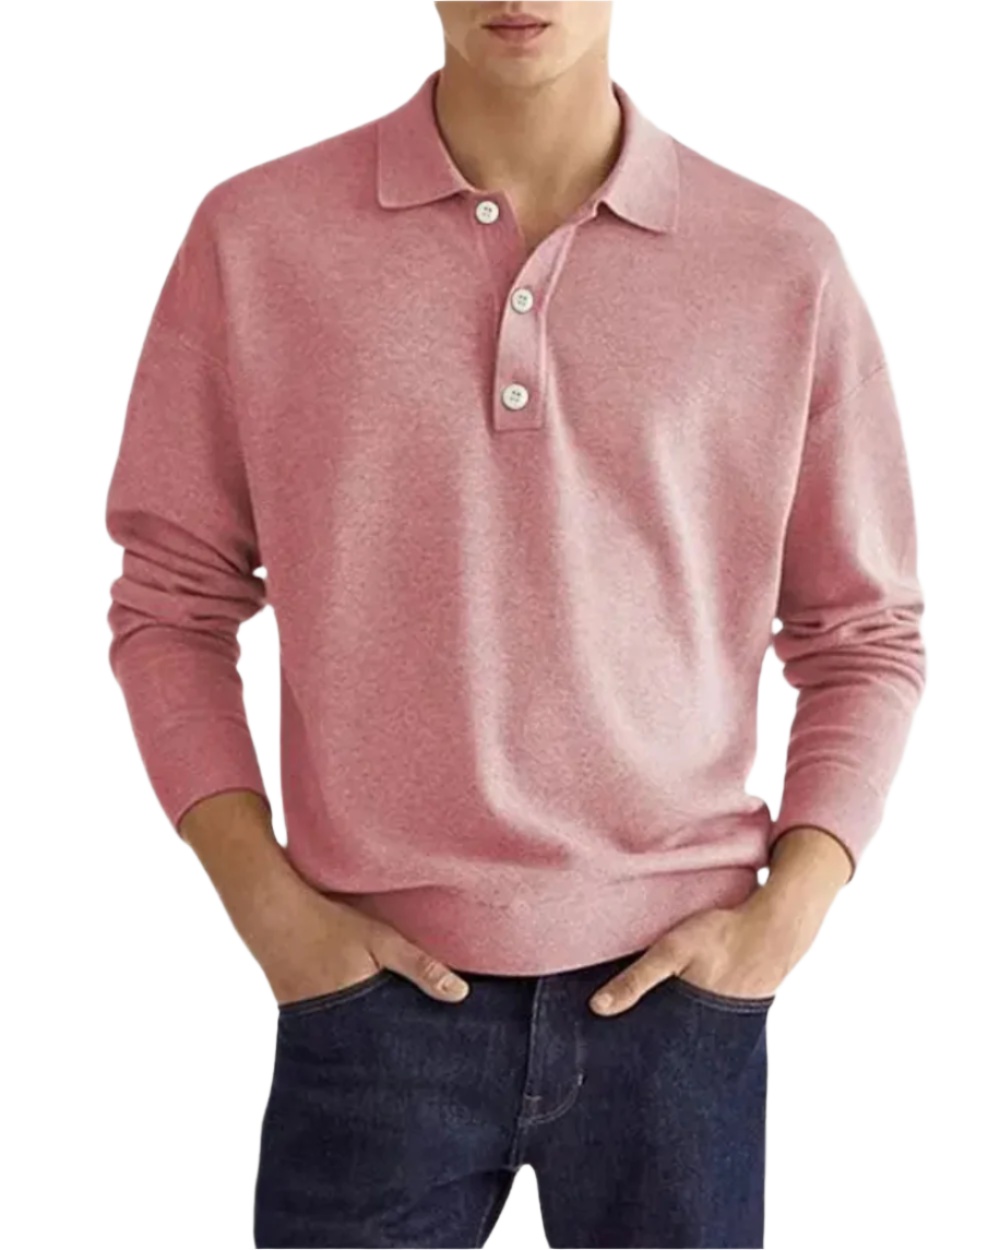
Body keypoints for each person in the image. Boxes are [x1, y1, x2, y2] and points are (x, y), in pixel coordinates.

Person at [103, 2, 927, 1246]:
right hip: (368, 993)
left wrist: (786, 915)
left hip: (677, 999)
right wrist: (268, 906)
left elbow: (863, 630)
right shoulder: (258, 237)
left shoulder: (779, 263)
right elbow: (170, 596)